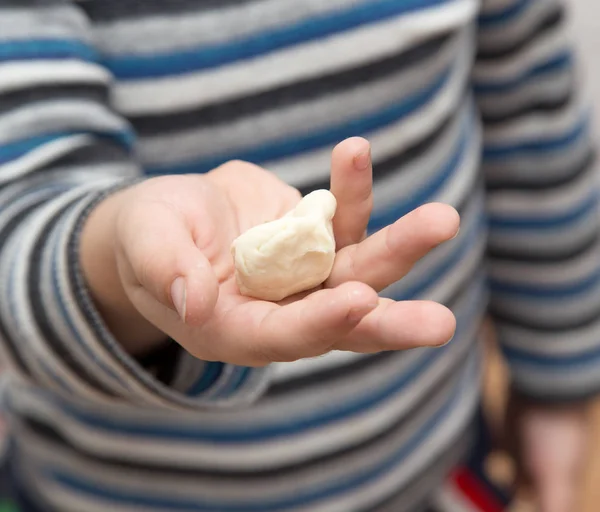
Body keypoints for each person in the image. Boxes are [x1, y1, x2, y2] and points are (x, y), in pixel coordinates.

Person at [0, 0, 596, 510]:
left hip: (427, 464)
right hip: (118, 493)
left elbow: (530, 110)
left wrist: (557, 375)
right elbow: (17, 218)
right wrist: (115, 257)